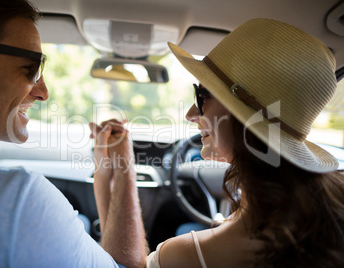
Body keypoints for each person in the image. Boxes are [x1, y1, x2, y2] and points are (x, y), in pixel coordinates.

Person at [94, 18, 344, 267]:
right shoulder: (333, 208)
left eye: (202, 95)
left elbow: (118, 265)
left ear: (244, 116)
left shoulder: (185, 255)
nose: (191, 113)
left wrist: (118, 167)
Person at [0, 0, 147, 267]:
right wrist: (124, 165)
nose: (43, 92)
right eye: (30, 68)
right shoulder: (16, 200)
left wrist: (104, 165)